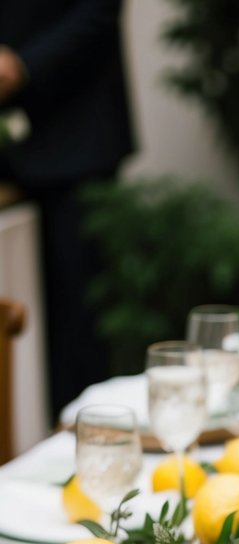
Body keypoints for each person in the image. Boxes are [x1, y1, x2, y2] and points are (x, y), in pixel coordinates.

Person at [0, 1, 134, 423]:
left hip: (76, 135)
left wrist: (22, 64)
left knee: (79, 324)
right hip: (10, 155)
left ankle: (89, 450)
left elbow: (99, 9)